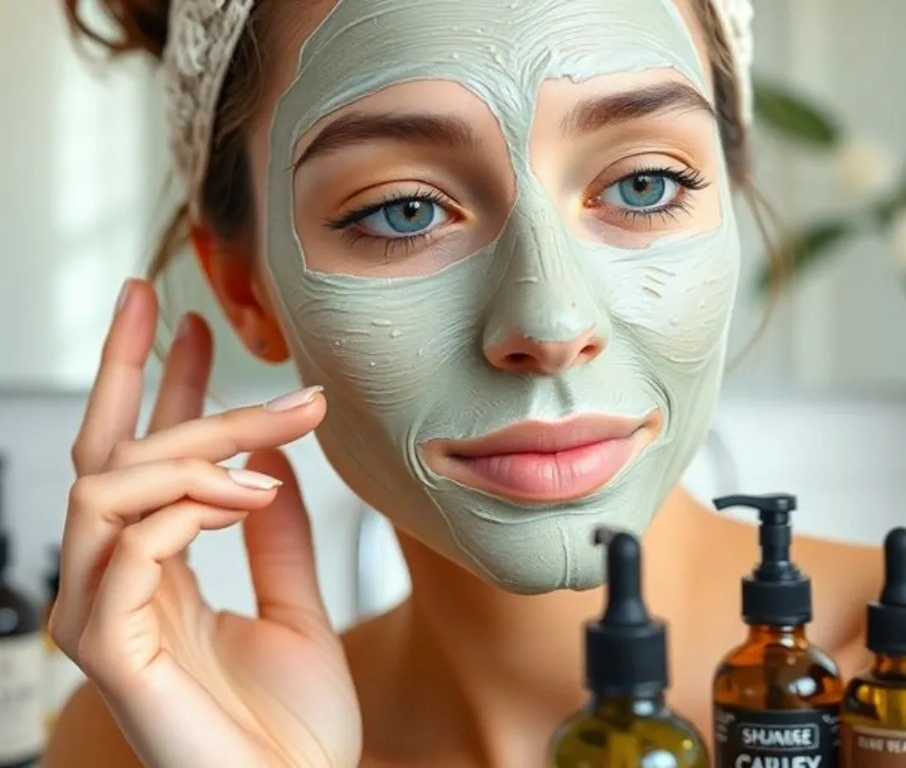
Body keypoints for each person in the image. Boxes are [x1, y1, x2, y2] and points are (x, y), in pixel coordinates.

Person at [45, 0, 883, 766]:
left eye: (644, 185)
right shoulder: (143, 734)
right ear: (242, 289)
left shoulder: (886, 702)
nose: (551, 326)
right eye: (403, 209)